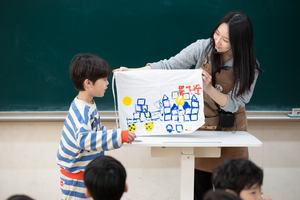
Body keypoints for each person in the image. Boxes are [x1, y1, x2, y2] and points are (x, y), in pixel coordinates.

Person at [113, 11, 262, 199]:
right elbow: (169, 65)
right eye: (217, 33)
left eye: (226, 39)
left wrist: (208, 88)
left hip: (233, 130)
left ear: (240, 42)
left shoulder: (249, 65)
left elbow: (235, 103)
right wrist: (133, 72)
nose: (218, 41)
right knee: (200, 188)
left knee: (233, 189)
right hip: (204, 129)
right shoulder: (202, 47)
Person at [57, 53, 136, 200]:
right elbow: (85, 139)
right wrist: (119, 136)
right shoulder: (82, 110)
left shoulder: (89, 103)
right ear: (88, 83)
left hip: (83, 173)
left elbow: (94, 132)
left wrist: (111, 132)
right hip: (76, 177)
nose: (107, 83)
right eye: (104, 79)